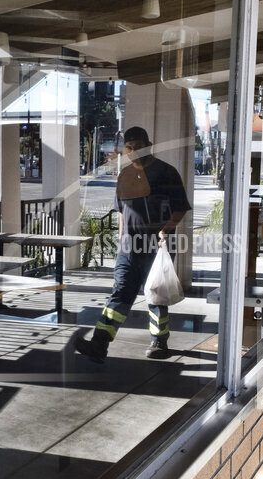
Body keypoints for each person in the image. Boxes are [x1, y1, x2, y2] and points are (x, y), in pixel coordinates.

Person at [75, 126, 191, 362]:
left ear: (149, 145)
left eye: (138, 147)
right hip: (128, 248)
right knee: (119, 294)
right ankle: (100, 343)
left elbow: (180, 208)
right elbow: (120, 211)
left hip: (157, 246)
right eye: (129, 148)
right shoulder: (124, 175)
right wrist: (120, 239)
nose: (134, 152)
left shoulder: (167, 172)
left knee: (156, 294)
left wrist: (166, 230)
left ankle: (160, 342)